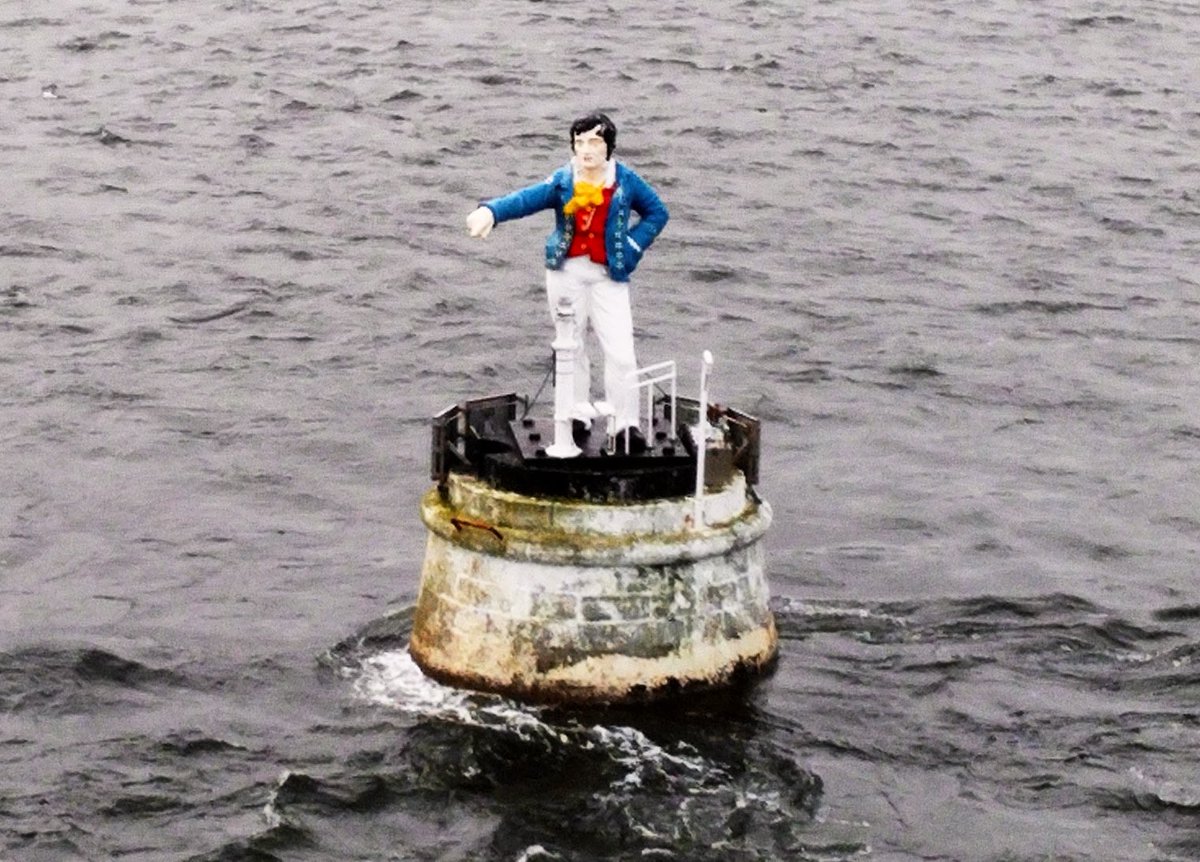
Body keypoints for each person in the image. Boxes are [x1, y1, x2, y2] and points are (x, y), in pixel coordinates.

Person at [465, 111, 669, 453]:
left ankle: (625, 423)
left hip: (609, 276)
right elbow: (527, 198)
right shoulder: (563, 180)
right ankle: (574, 412)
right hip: (566, 273)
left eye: (594, 142)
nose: (586, 150)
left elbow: (657, 213)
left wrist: (632, 246)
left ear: (609, 148)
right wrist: (492, 211)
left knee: (620, 352)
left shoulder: (625, 181)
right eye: (579, 143)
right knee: (569, 347)